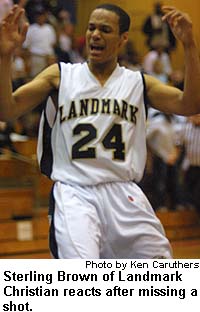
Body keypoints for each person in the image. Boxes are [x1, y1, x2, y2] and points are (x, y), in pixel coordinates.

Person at [0, 4, 200, 259]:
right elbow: (6, 110)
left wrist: (190, 47)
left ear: (123, 39)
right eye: (91, 27)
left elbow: (190, 104)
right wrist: (4, 57)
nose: (95, 35)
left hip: (124, 193)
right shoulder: (61, 75)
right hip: (75, 192)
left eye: (105, 30)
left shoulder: (138, 82)